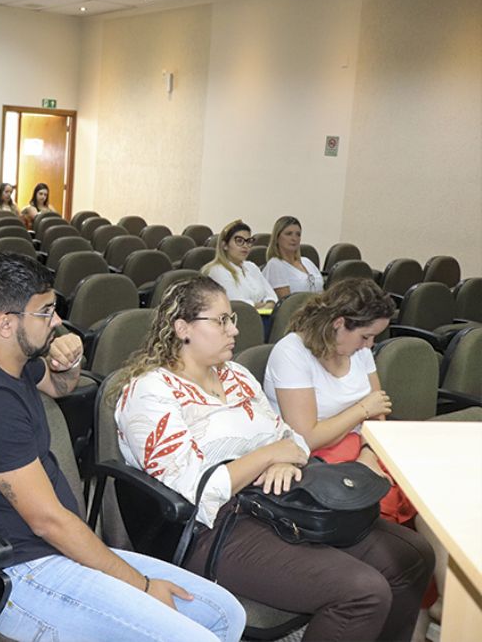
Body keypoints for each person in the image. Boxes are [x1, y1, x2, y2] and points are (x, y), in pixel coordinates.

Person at [0, 253, 245, 642]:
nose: (57, 321)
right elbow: (48, 521)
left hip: (57, 549)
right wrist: (144, 587)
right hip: (18, 573)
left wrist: (69, 361)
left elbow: (59, 386)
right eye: (45, 312)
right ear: (5, 323)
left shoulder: (9, 363)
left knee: (224, 614)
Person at [115, 275, 433, 642]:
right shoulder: (150, 391)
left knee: (413, 555)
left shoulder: (236, 376)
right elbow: (192, 490)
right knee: (362, 590)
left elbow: (293, 438)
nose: (234, 329)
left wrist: (285, 459)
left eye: (232, 318)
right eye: (221, 321)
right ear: (182, 328)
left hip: (278, 500)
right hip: (214, 526)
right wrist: (271, 455)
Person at [262, 278, 417, 521]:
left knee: (423, 488)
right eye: (365, 336)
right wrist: (362, 409)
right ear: (339, 324)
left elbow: (378, 414)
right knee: (381, 502)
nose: (370, 345)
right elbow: (307, 438)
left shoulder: (359, 351)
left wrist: (368, 454)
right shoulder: (292, 353)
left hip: (361, 446)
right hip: (312, 458)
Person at [201, 220, 276, 310]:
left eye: (248, 241)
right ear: (224, 245)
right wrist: (261, 305)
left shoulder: (252, 267)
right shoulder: (217, 270)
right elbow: (237, 305)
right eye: (239, 241)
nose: (245, 246)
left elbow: (272, 297)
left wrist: (267, 303)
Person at [262, 216, 323, 298]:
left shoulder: (307, 262)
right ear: (277, 238)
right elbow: (287, 303)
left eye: (298, 234)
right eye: (288, 234)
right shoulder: (275, 265)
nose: (294, 238)